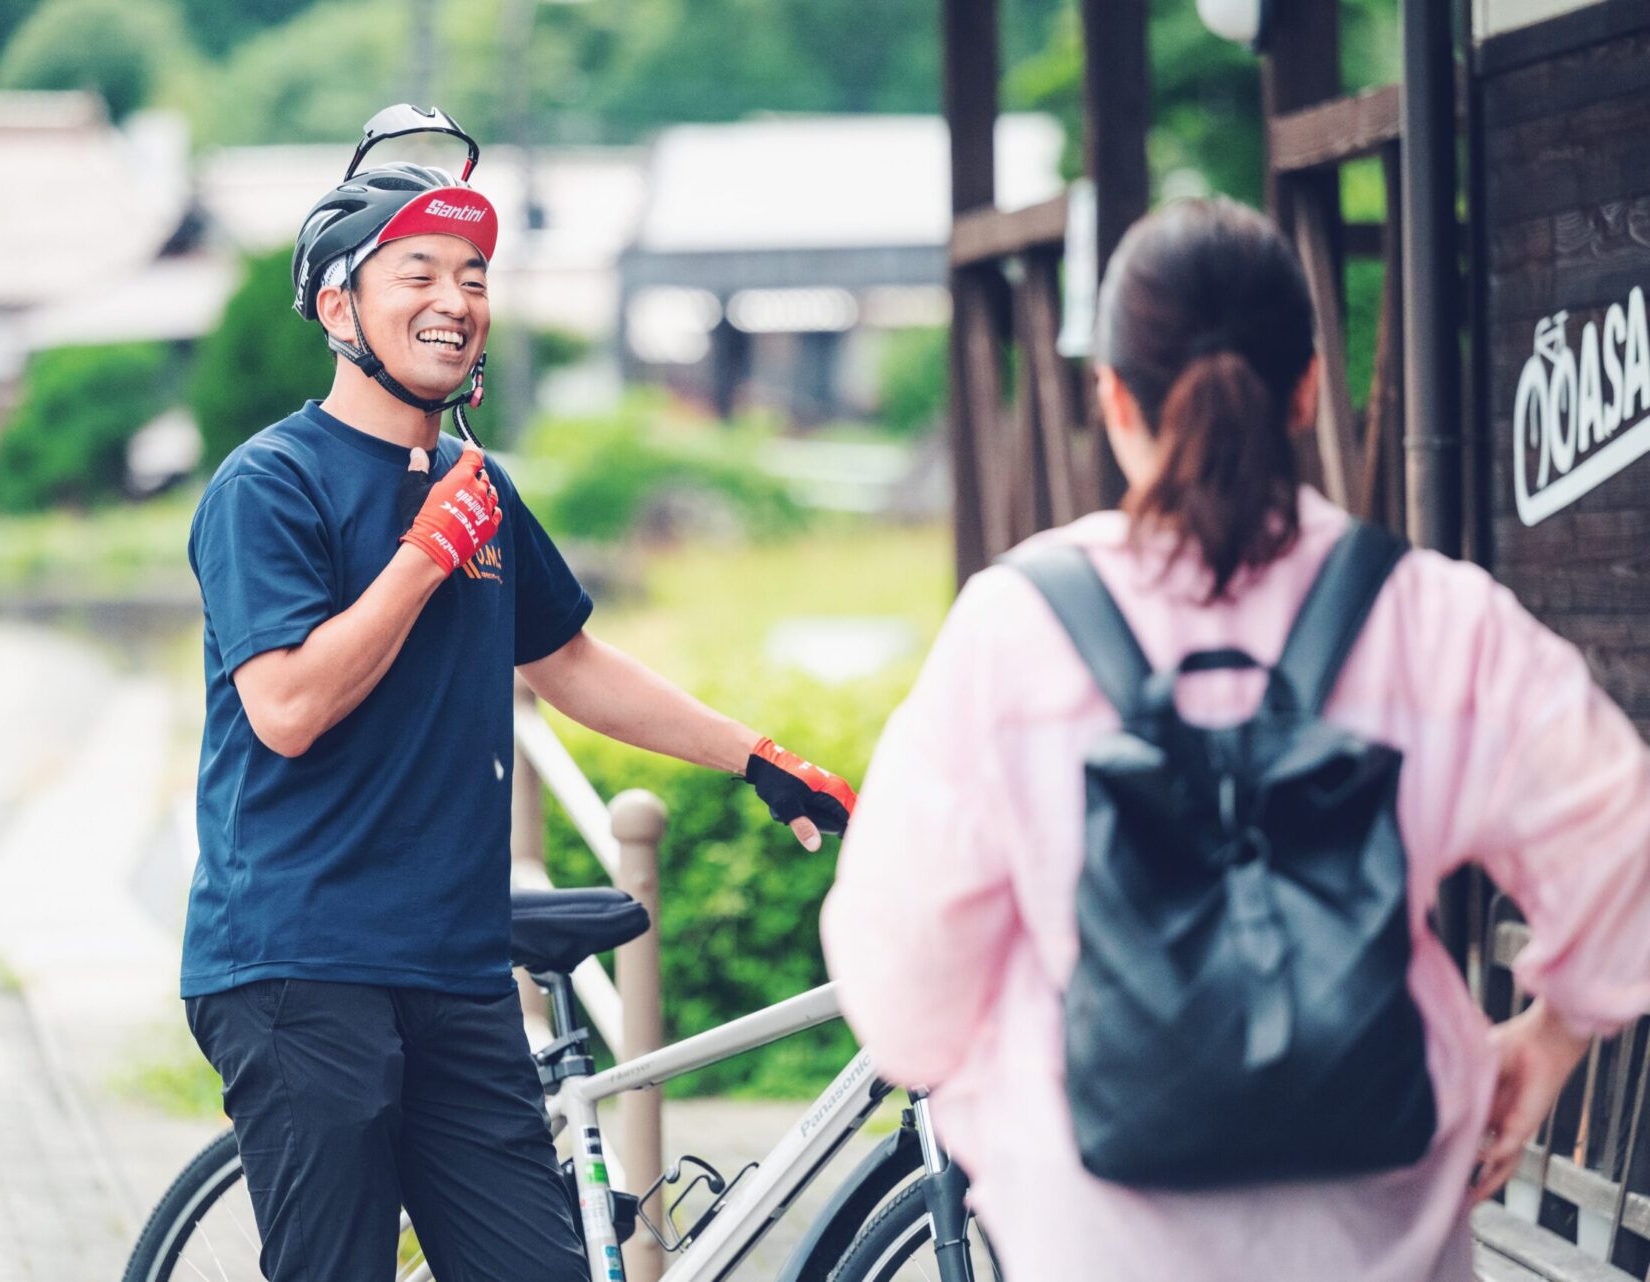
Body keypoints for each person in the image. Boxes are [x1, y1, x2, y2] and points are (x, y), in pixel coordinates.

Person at [821, 197, 1650, 1281]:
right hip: (1382, 1224)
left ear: (1112, 396)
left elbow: (904, 986)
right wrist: (1550, 1041)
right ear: (1308, 385)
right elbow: (1625, 847)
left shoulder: (1012, 630)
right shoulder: (1435, 618)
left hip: (1102, 1234)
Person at [182, 106, 855, 1282]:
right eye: (419, 272)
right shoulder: (270, 485)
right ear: (340, 307)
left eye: (476, 276)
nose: (456, 298)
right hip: (301, 964)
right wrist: (423, 555)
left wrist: (751, 751)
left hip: (452, 966)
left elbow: (567, 660)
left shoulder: (474, 484)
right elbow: (286, 707)